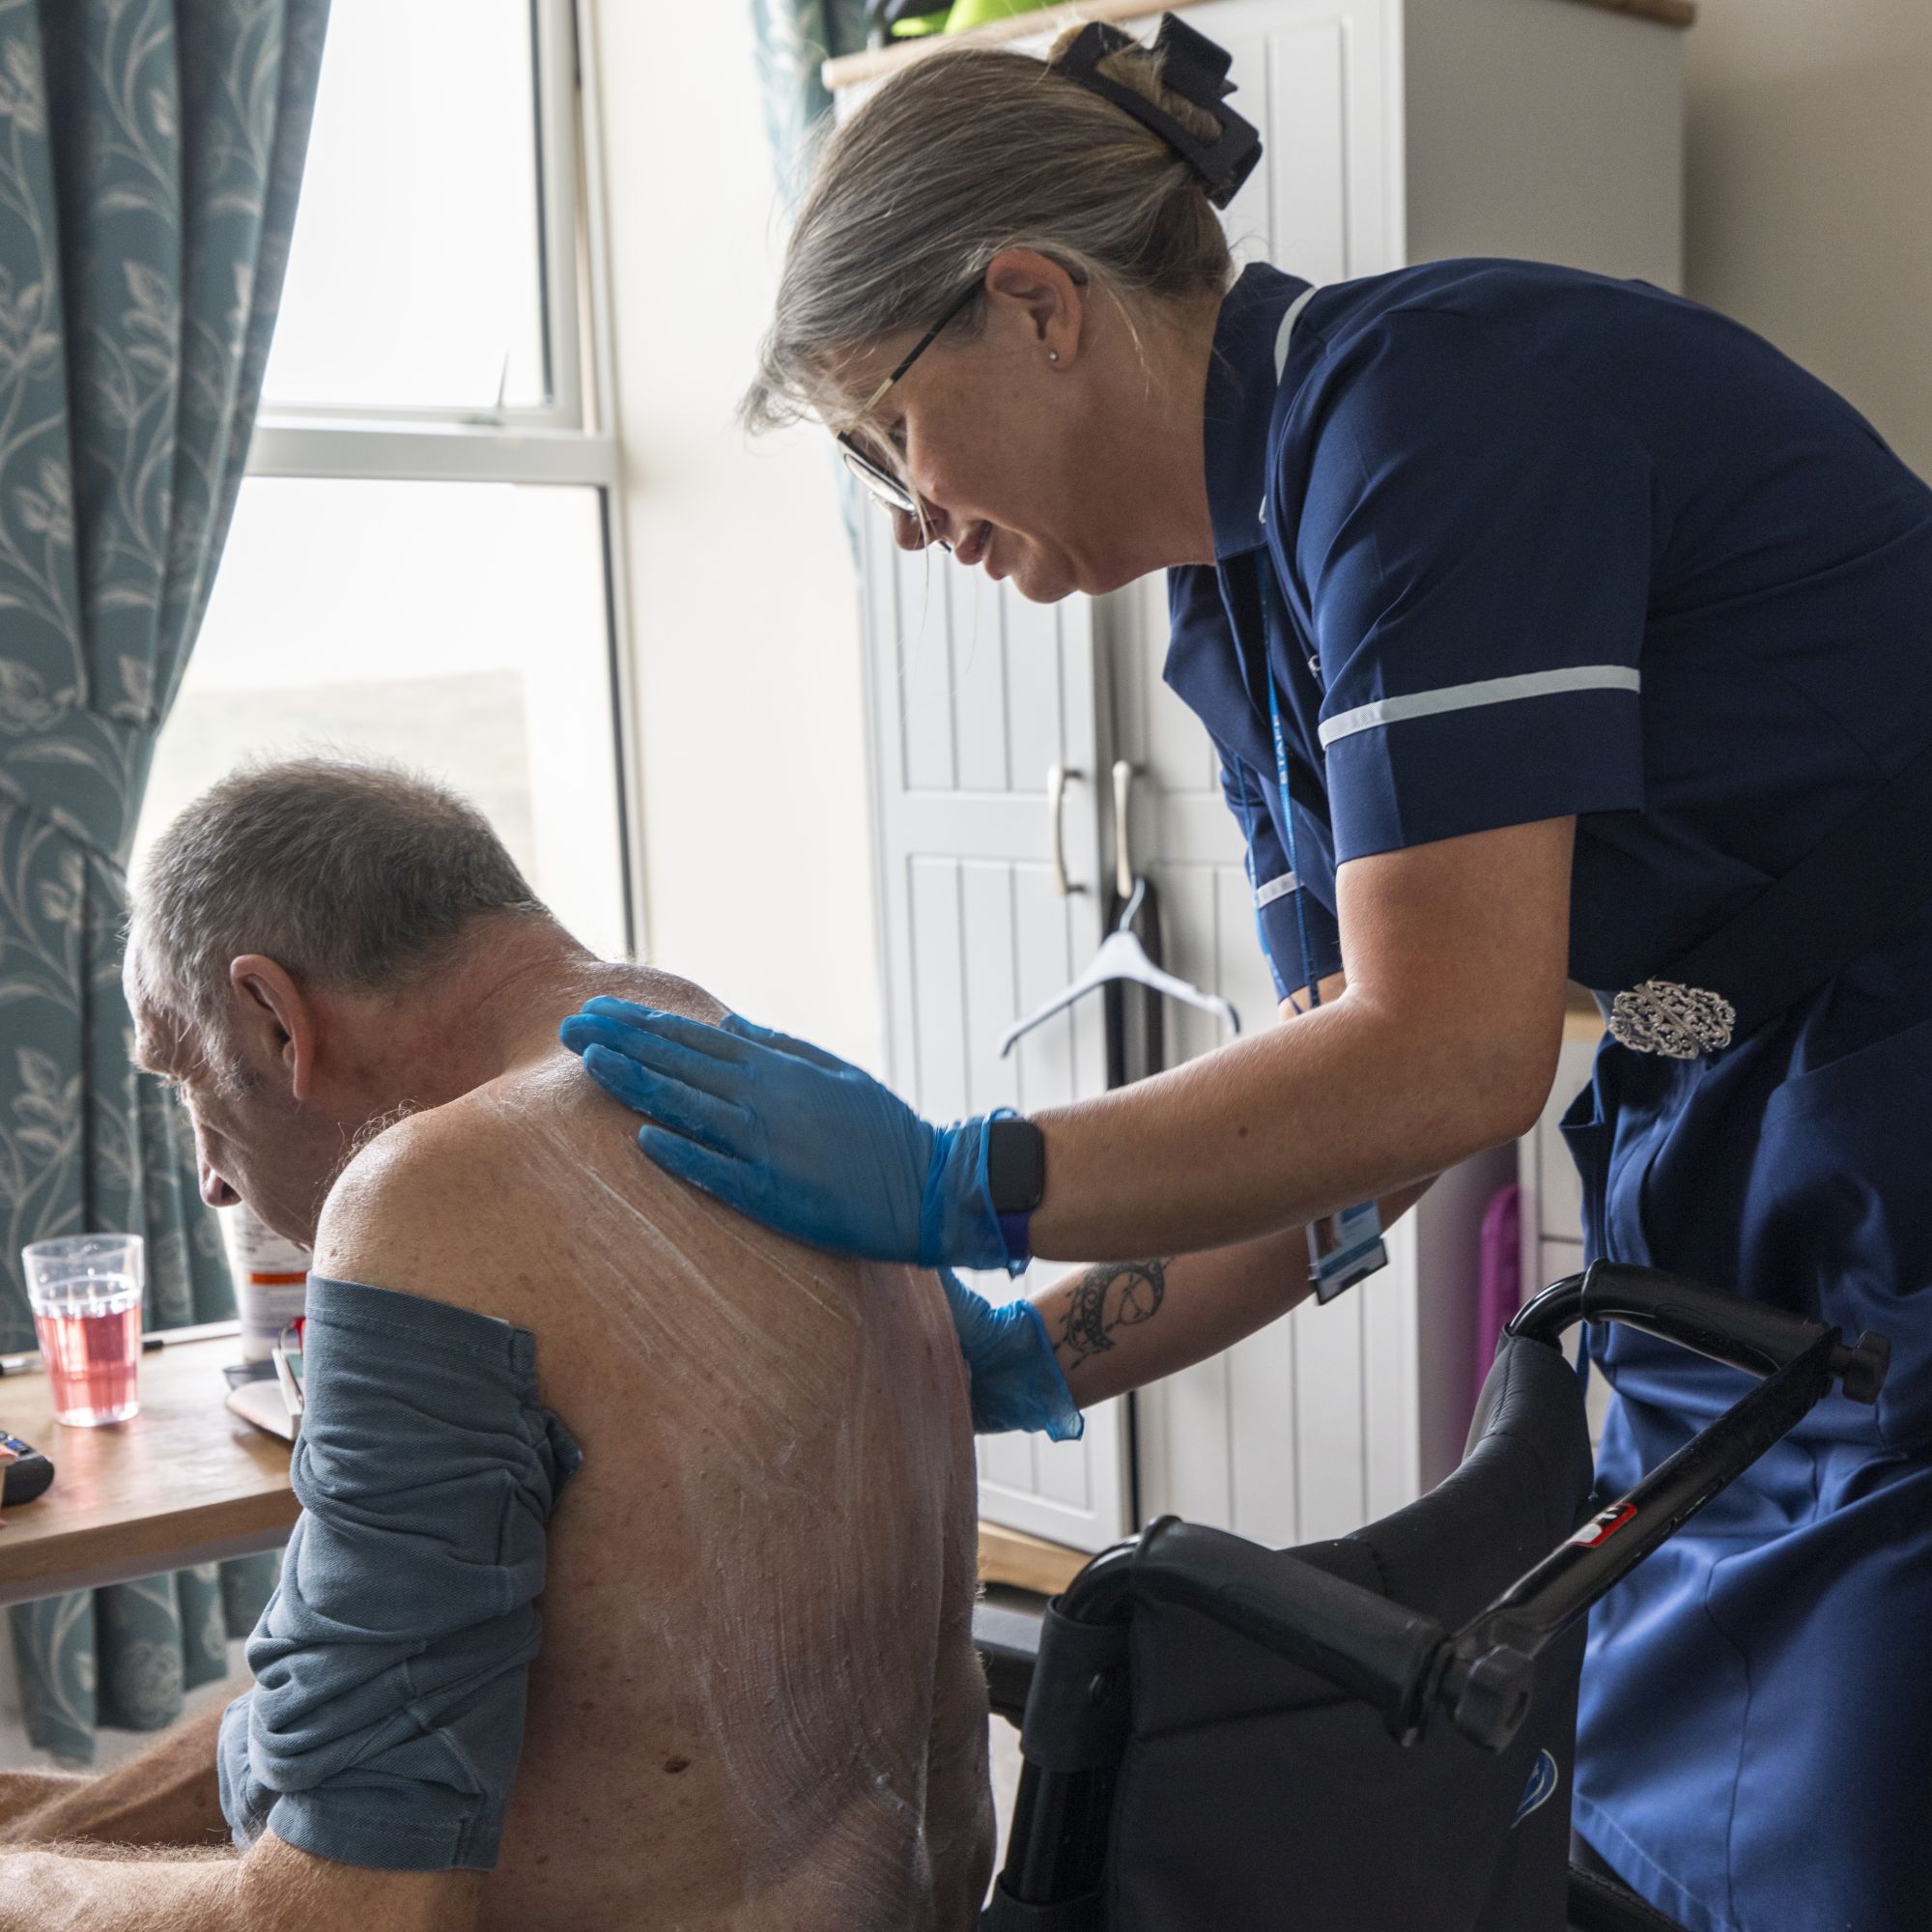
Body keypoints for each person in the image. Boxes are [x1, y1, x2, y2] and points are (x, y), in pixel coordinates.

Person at [561, 18, 1932, 1932]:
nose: (899, 511)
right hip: (1749, 1142)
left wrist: (962, 1173)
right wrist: (1031, 1355)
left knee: (1853, 1838)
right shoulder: (1238, 600)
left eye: (885, 425)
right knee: (1658, 1837)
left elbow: (1448, 1061)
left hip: (1887, 1092)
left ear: (1032, 303)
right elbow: (1346, 1118)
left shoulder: (1425, 417)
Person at [0, 760, 991, 1932]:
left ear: (274, 1017)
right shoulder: (783, 1092)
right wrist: (41, 1833)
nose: (211, 1174)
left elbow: (352, 1918)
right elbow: (362, 1704)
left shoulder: (430, 1201)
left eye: (188, 1081)